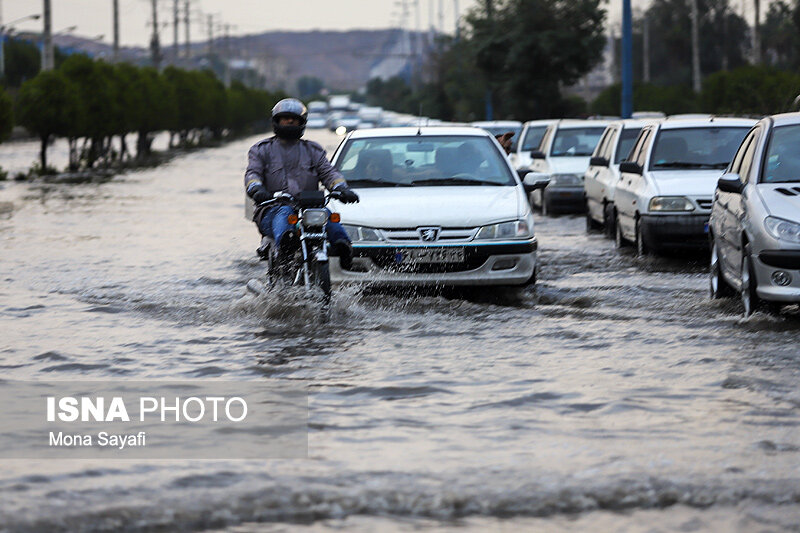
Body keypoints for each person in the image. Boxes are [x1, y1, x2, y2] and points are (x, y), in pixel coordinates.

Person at [244, 98, 360, 270]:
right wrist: (256, 189)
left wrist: (341, 188)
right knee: (284, 212)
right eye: (285, 118)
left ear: (302, 122)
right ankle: (285, 249)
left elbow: (329, 173)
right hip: (272, 208)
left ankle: (345, 251)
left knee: (329, 218)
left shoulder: (313, 150)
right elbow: (253, 173)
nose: (290, 121)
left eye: (294, 119)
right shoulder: (261, 149)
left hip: (309, 209)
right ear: (276, 121)